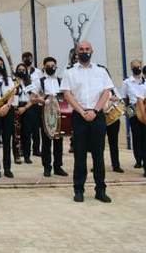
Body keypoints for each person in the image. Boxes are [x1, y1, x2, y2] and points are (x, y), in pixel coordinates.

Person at [60, 41, 114, 203]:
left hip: (97, 116)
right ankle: (78, 190)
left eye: (87, 49)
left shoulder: (101, 71)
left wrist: (95, 111)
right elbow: (67, 94)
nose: (84, 52)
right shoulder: (69, 72)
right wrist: (82, 111)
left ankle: (100, 190)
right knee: (80, 154)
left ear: (92, 51)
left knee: (98, 155)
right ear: (77, 52)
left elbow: (107, 92)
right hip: (79, 116)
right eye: (81, 49)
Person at [37, 57, 68, 177]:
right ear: (44, 67)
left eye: (53, 65)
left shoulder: (60, 81)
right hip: (45, 112)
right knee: (46, 141)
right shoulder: (40, 81)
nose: (51, 68)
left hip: (58, 113)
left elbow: (66, 95)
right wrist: (41, 98)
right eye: (48, 65)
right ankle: (47, 167)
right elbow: (34, 97)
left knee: (58, 140)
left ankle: (58, 166)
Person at [122, 59, 145, 168]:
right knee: (136, 135)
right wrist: (128, 112)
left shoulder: (145, 81)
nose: (137, 68)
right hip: (133, 108)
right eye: (134, 67)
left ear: (141, 66)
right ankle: (138, 160)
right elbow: (124, 98)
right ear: (131, 69)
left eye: (138, 66)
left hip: (145, 109)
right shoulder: (127, 82)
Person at [14, 63, 38, 164]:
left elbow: (33, 98)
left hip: (27, 107)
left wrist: (25, 108)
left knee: (27, 133)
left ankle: (27, 156)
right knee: (16, 134)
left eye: (23, 70)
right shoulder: (13, 82)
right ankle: (17, 156)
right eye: (19, 69)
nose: (21, 71)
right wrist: (17, 108)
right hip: (16, 107)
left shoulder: (29, 83)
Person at [22, 51, 43, 157]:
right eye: (25, 58)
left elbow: (41, 86)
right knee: (25, 128)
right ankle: (24, 149)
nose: (27, 59)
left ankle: (36, 149)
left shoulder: (38, 72)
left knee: (36, 128)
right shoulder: (21, 71)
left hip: (36, 102)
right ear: (22, 59)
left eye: (29, 57)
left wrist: (39, 97)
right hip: (25, 102)